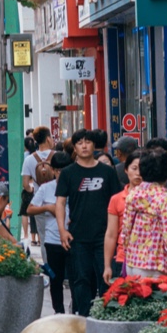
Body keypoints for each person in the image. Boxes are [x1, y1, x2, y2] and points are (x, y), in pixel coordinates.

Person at [56, 130, 122, 315]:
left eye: (88, 142)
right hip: (78, 237)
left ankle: (107, 318)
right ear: (74, 147)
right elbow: (60, 202)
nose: (84, 146)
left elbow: (116, 202)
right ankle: (84, 320)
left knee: (107, 279)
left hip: (105, 237)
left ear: (94, 145)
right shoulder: (68, 173)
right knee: (81, 281)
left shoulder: (108, 172)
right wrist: (62, 230)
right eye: (80, 143)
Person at [116, 146, 167, 280]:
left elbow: (126, 231)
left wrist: (128, 253)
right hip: (156, 265)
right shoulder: (166, 200)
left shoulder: (133, 194)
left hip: (133, 263)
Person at [28, 150, 70, 314]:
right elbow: (30, 209)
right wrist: (47, 207)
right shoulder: (46, 188)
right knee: (55, 279)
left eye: (64, 169)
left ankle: (77, 309)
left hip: (73, 239)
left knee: (76, 278)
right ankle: (58, 312)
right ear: (52, 171)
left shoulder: (76, 186)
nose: (61, 173)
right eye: (58, 170)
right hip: (53, 241)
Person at [101, 148, 144, 282]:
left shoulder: (155, 198)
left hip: (149, 260)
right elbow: (111, 234)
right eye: (134, 168)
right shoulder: (117, 199)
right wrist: (107, 266)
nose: (138, 173)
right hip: (123, 258)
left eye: (142, 169)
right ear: (126, 170)